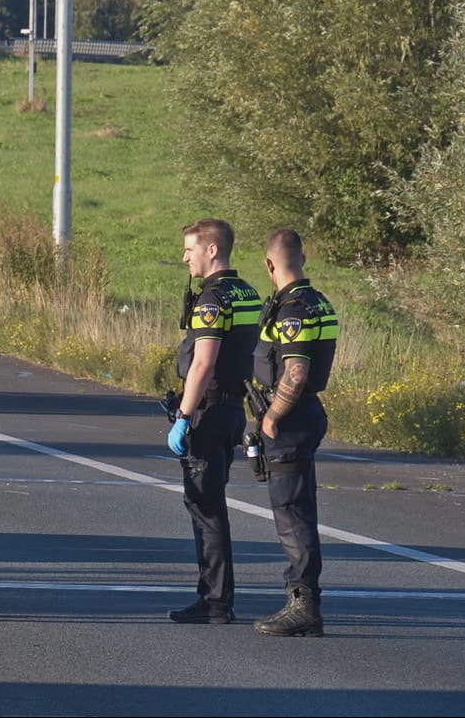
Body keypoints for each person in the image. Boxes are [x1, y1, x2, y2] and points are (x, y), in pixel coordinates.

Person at [166, 218, 264, 624]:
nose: (185, 257)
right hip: (233, 409)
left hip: (208, 410)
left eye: (190, 249)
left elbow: (203, 362)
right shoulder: (248, 293)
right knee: (213, 503)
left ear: (211, 250)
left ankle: (215, 601)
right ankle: (216, 597)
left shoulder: (212, 300)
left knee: (205, 506)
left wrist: (184, 416)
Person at [250, 227, 337, 637]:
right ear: (302, 257)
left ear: (270, 264)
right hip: (306, 414)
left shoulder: (293, 309)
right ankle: (305, 601)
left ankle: (302, 604)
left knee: (292, 514)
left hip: (291, 417)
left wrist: (271, 418)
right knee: (298, 508)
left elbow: (296, 370)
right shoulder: (318, 301)